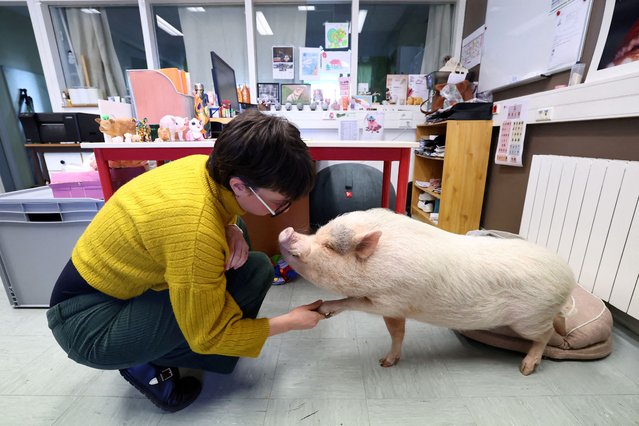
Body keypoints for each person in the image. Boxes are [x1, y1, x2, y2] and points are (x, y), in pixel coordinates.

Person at [46, 110, 325, 412]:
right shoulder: (195, 231)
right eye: (277, 203)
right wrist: (290, 322)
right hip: (86, 324)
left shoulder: (204, 166)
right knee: (216, 320)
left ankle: (173, 341)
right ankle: (144, 363)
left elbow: (215, 209)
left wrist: (230, 226)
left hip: (118, 288)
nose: (282, 209)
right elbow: (208, 335)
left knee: (254, 265)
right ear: (239, 186)